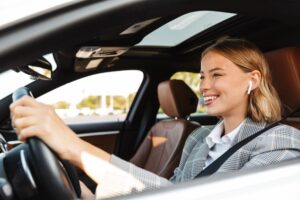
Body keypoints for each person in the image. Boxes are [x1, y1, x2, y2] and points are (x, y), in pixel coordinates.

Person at [10, 38, 300, 199]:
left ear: (253, 80)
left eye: (217, 75)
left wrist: (76, 149)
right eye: (202, 76)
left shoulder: (283, 146)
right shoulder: (199, 137)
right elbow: (174, 191)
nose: (204, 86)